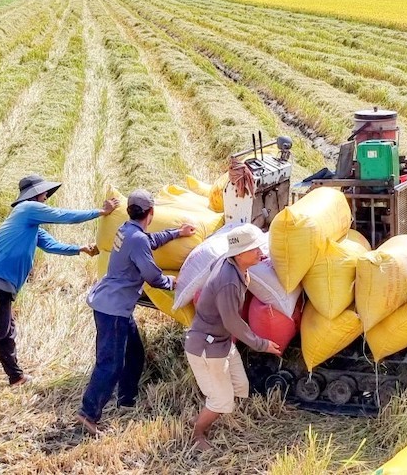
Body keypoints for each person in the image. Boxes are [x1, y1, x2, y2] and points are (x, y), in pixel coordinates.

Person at [0, 174, 119, 386]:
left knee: (6, 331)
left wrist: (80, 249)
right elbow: (62, 215)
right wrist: (100, 212)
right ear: (36, 194)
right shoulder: (26, 208)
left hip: (4, 283)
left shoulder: (31, 226)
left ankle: (16, 377)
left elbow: (52, 246)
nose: (46, 197)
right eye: (45, 194)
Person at [76, 189, 196, 436]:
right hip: (114, 310)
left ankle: (127, 398)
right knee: (110, 364)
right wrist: (173, 282)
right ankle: (88, 414)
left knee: (134, 353)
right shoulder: (136, 238)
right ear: (151, 212)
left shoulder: (126, 230)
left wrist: (177, 233)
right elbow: (152, 276)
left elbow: (150, 241)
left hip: (111, 303)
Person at [184, 224, 281, 451]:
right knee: (222, 400)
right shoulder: (228, 281)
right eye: (254, 249)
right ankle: (197, 433)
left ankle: (207, 415)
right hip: (207, 346)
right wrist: (261, 344)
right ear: (239, 254)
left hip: (222, 341)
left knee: (240, 385)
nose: (260, 252)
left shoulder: (232, 265)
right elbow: (232, 322)